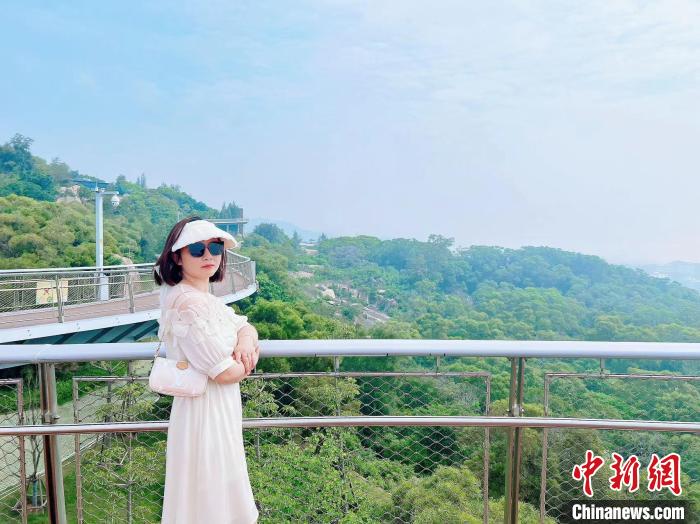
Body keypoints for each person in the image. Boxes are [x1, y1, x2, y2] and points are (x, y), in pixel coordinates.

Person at [153, 216, 260, 524]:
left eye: (215, 247)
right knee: (211, 493)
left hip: (212, 407)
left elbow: (242, 325)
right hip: (206, 410)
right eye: (197, 249)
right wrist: (252, 355)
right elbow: (223, 373)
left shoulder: (201, 297)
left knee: (209, 493)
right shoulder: (189, 303)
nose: (209, 255)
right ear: (178, 257)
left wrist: (246, 340)